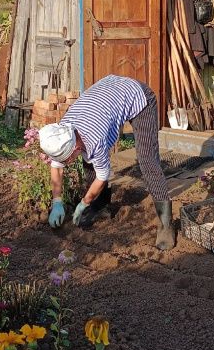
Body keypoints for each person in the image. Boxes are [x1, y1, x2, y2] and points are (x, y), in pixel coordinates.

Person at [39, 74, 175, 250]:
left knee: (147, 161)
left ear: (75, 149)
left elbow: (103, 175)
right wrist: (56, 202)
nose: (67, 163)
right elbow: (56, 167)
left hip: (139, 97)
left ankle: (166, 224)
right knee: (89, 161)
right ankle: (101, 208)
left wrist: (84, 203)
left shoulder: (95, 139)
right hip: (109, 93)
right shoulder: (62, 131)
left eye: (68, 160)